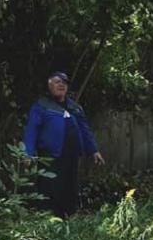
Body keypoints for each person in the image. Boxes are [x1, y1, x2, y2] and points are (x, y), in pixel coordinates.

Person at [23, 71, 105, 215]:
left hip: (71, 155)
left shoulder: (75, 107)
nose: (61, 85)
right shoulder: (41, 106)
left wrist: (94, 150)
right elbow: (32, 130)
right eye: (57, 82)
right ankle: (47, 216)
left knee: (69, 186)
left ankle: (68, 215)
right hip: (50, 156)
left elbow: (85, 129)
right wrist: (28, 153)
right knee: (49, 186)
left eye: (64, 83)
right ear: (49, 85)